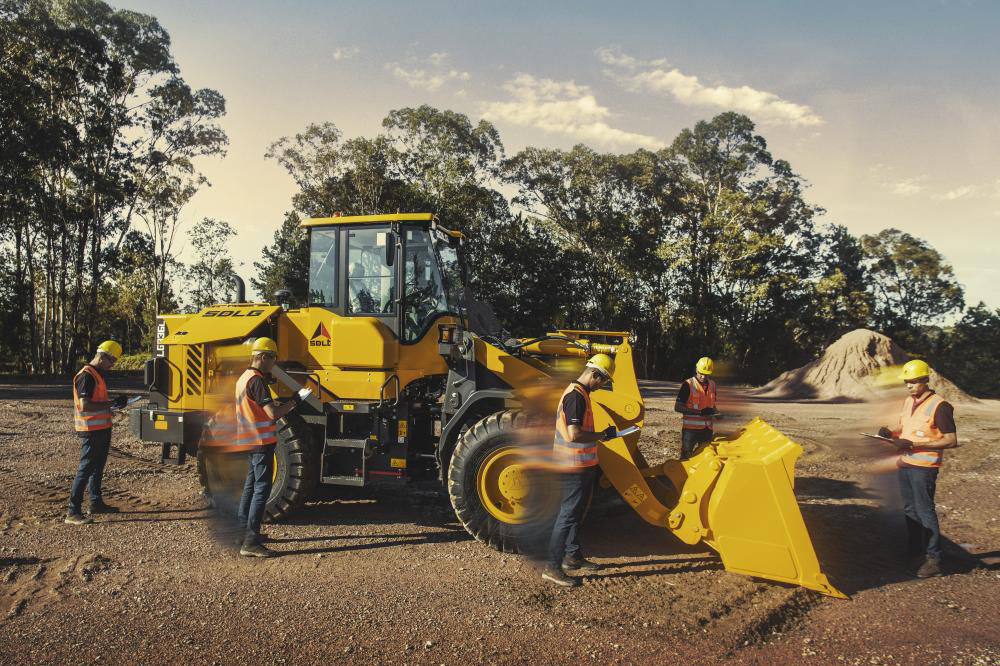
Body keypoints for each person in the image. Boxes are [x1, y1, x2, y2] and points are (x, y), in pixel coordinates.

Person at [542, 353, 618, 587]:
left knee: (573, 514)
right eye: (603, 381)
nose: (602, 386)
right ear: (595, 374)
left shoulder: (581, 394)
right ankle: (552, 567)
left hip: (580, 466)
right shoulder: (576, 397)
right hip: (571, 467)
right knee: (566, 516)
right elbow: (575, 435)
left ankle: (572, 557)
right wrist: (602, 436)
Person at [877, 359, 958, 578]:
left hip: (924, 467)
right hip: (905, 463)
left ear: (925, 380)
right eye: (907, 382)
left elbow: (950, 440)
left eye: (914, 382)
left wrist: (914, 445)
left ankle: (934, 559)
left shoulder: (940, 406)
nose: (910, 386)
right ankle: (915, 551)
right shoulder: (908, 402)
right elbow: (905, 431)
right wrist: (891, 433)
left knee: (925, 511)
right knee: (910, 510)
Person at [235, 337, 312, 557]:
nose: (274, 364)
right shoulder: (257, 381)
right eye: (272, 358)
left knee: (250, 486)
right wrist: (295, 401)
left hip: (249, 439)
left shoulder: (244, 378)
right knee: (261, 490)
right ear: (261, 357)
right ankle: (250, 542)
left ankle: (242, 533)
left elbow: (257, 409)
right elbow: (273, 414)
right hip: (261, 442)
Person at [67, 341, 128, 524]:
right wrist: (110, 403)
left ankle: (95, 503)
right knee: (85, 469)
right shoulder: (86, 376)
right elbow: (86, 406)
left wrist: (113, 405)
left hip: (101, 429)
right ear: (102, 357)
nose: (112, 365)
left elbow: (97, 402)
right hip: (90, 430)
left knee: (97, 467)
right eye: (112, 361)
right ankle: (73, 511)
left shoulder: (97, 375)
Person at [673, 357, 719, 460]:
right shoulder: (688, 384)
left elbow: (712, 404)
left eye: (706, 374)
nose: (703, 376)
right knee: (686, 457)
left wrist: (717, 413)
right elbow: (678, 407)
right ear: (696, 369)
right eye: (701, 373)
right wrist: (700, 412)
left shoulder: (713, 385)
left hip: (707, 430)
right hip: (691, 431)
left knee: (705, 458)